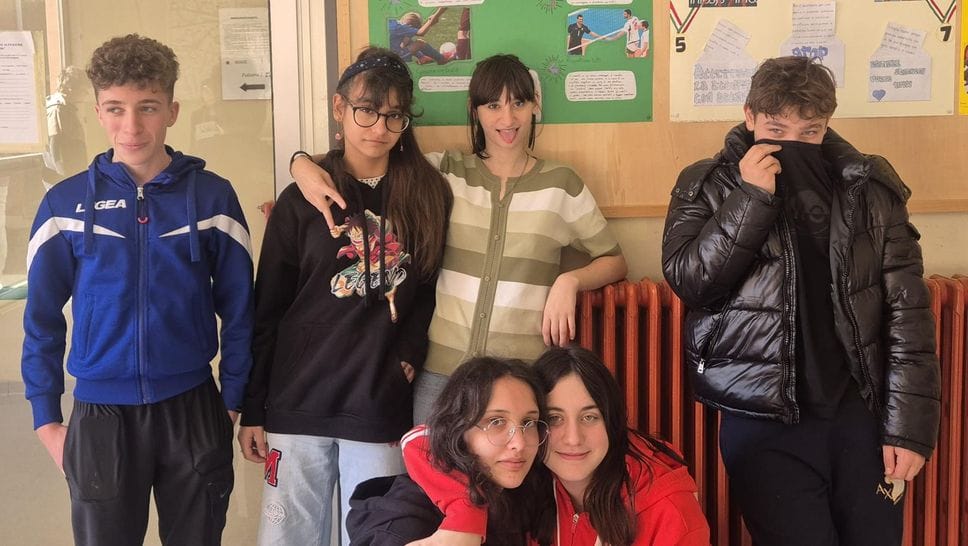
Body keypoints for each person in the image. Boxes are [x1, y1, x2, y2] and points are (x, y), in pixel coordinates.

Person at [661, 56, 940, 546]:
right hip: (761, 416)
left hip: (860, 412)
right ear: (749, 116)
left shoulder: (869, 187)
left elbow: (907, 312)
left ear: (826, 125)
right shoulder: (706, 183)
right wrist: (750, 197)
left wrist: (908, 428)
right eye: (776, 129)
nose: (793, 143)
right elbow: (692, 282)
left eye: (809, 132)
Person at [290, 54, 628, 425]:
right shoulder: (446, 172)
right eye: (493, 105)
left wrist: (570, 281)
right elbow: (367, 158)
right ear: (474, 110)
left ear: (535, 105)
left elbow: (613, 260)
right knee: (429, 464)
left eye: (518, 102)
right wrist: (301, 164)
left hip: (520, 374)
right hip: (442, 373)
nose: (507, 119)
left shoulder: (562, 183)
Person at [21, 34, 254, 546]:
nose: (131, 126)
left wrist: (232, 400)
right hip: (100, 416)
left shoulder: (213, 198)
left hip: (193, 406)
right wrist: (46, 419)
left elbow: (241, 311)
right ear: (98, 113)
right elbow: (41, 320)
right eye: (116, 109)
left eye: (147, 107)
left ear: (171, 111)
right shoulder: (64, 205)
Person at [237, 47, 452, 546]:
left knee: (376, 535)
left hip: (377, 401)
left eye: (394, 115)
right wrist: (255, 408)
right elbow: (267, 309)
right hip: (296, 401)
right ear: (340, 108)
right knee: (288, 538)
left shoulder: (426, 193)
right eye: (367, 110)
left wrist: (409, 351)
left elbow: (428, 289)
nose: (379, 127)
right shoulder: (302, 197)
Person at [398, 345, 710, 545]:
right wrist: (465, 519)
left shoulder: (670, 511)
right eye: (554, 418)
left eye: (589, 417)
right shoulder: (526, 465)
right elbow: (425, 439)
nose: (573, 438)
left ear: (612, 422)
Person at [346, 356, 549, 546]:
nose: (520, 443)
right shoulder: (408, 529)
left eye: (529, 422)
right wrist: (466, 518)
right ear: (457, 430)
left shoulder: (518, 493)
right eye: (496, 421)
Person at [43, 65, 89, 188]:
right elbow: (55, 144)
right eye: (84, 90)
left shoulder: (67, 108)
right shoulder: (58, 109)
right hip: (64, 174)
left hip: (71, 171)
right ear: (70, 88)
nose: (86, 94)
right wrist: (64, 177)